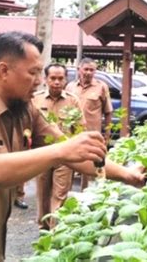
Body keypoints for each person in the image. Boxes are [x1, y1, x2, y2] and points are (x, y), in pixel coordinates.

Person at [0, 31, 145, 262]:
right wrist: (61, 152)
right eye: (33, 72)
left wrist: (127, 175)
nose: (39, 81)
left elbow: (72, 152)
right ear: (4, 70)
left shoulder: (24, 108)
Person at [32, 63, 86, 229]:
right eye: (52, 78)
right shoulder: (36, 99)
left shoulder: (72, 100)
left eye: (60, 78)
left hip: (65, 156)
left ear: (65, 80)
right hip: (42, 154)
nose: (56, 82)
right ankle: (43, 228)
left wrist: (78, 155)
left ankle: (55, 230)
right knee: (42, 194)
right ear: (46, 80)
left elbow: (79, 129)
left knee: (60, 194)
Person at [66, 57, 113, 189]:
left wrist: (107, 134)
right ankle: (67, 198)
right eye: (86, 69)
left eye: (91, 70)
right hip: (72, 134)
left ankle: (86, 198)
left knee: (90, 170)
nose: (88, 72)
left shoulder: (101, 87)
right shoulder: (70, 87)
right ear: (79, 70)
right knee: (69, 166)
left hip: (92, 135)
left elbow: (108, 112)